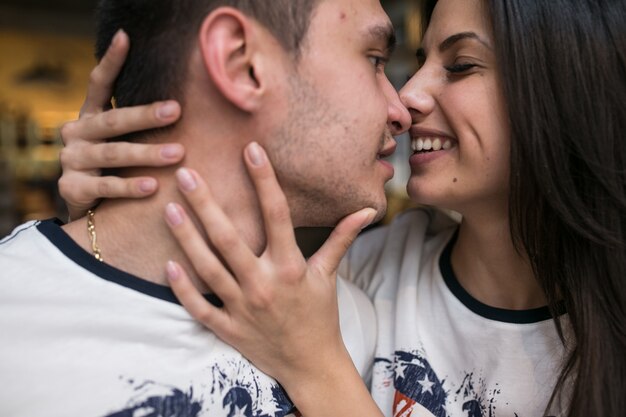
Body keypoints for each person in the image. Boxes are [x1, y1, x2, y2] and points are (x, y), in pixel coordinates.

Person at [57, 0, 626, 416]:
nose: (408, 97)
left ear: (564, 87)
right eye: (407, 59)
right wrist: (129, 188)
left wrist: (318, 369)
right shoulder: (347, 281)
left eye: (460, 66)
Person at [0, 0, 413, 416]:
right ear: (240, 65)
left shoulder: (352, 328)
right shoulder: (14, 323)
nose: (401, 112)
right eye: (374, 60)